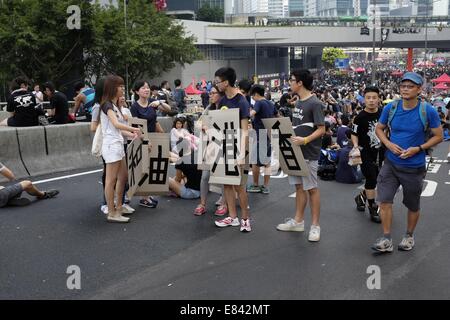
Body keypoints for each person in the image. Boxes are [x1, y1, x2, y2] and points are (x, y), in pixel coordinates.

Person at [372, 72, 443, 253]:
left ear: (419, 89)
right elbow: (379, 128)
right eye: (403, 86)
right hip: (390, 163)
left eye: (410, 86)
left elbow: (439, 136)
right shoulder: (391, 108)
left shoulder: (428, 111)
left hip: (414, 167)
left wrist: (418, 148)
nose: (405, 89)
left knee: (412, 204)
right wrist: (388, 143)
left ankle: (409, 236)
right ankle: (386, 238)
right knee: (384, 201)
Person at [276, 69, 325, 242]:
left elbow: (322, 129)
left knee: (311, 189)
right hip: (296, 151)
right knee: (298, 188)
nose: (289, 83)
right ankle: (298, 221)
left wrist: (305, 140)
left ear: (300, 83)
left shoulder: (315, 103)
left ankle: (315, 226)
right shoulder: (298, 102)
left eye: (291, 80)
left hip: (309, 153)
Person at [213, 67, 252, 232]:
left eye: (217, 82)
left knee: (239, 186)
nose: (215, 85)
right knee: (227, 184)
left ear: (226, 82)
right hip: (225, 145)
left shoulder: (241, 101)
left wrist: (242, 154)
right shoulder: (222, 101)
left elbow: (245, 130)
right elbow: (219, 125)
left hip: (239, 147)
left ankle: (245, 219)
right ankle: (232, 217)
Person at [100, 75, 141, 223]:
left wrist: (132, 133)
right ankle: (111, 212)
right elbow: (116, 125)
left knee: (123, 176)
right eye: (120, 86)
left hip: (117, 144)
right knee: (111, 180)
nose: (123, 89)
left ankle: (119, 206)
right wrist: (134, 129)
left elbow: (118, 129)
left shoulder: (113, 105)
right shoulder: (107, 105)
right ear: (113, 88)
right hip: (111, 146)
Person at [131, 80, 170, 208]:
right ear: (137, 91)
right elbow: (136, 126)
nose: (146, 90)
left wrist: (159, 102)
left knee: (151, 168)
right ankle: (144, 197)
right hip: (141, 140)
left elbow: (169, 110)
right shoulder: (135, 107)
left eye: (147, 87)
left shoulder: (152, 103)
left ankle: (146, 195)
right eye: (143, 88)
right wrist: (145, 140)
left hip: (153, 139)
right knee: (143, 169)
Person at [194, 85, 228, 217]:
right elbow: (199, 123)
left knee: (223, 177)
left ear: (221, 94)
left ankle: (224, 203)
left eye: (214, 93)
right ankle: (202, 203)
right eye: (210, 93)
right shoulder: (209, 108)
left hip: (223, 146)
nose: (211, 95)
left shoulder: (226, 108)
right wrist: (202, 126)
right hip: (209, 146)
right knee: (205, 176)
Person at [351, 86, 383, 223]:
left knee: (376, 179)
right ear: (364, 99)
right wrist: (356, 147)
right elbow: (353, 134)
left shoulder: (383, 113)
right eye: (368, 98)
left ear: (379, 99)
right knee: (370, 178)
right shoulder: (359, 117)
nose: (371, 100)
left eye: (374, 98)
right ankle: (372, 207)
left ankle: (361, 197)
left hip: (381, 151)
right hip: (365, 153)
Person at [246, 84, 278, 194]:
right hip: (269, 135)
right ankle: (265, 186)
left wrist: (245, 115)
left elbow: (252, 113)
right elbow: (277, 116)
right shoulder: (270, 103)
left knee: (255, 162)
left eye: (252, 96)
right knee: (267, 162)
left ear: (255, 94)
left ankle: (255, 185)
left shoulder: (259, 103)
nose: (253, 99)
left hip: (260, 136)